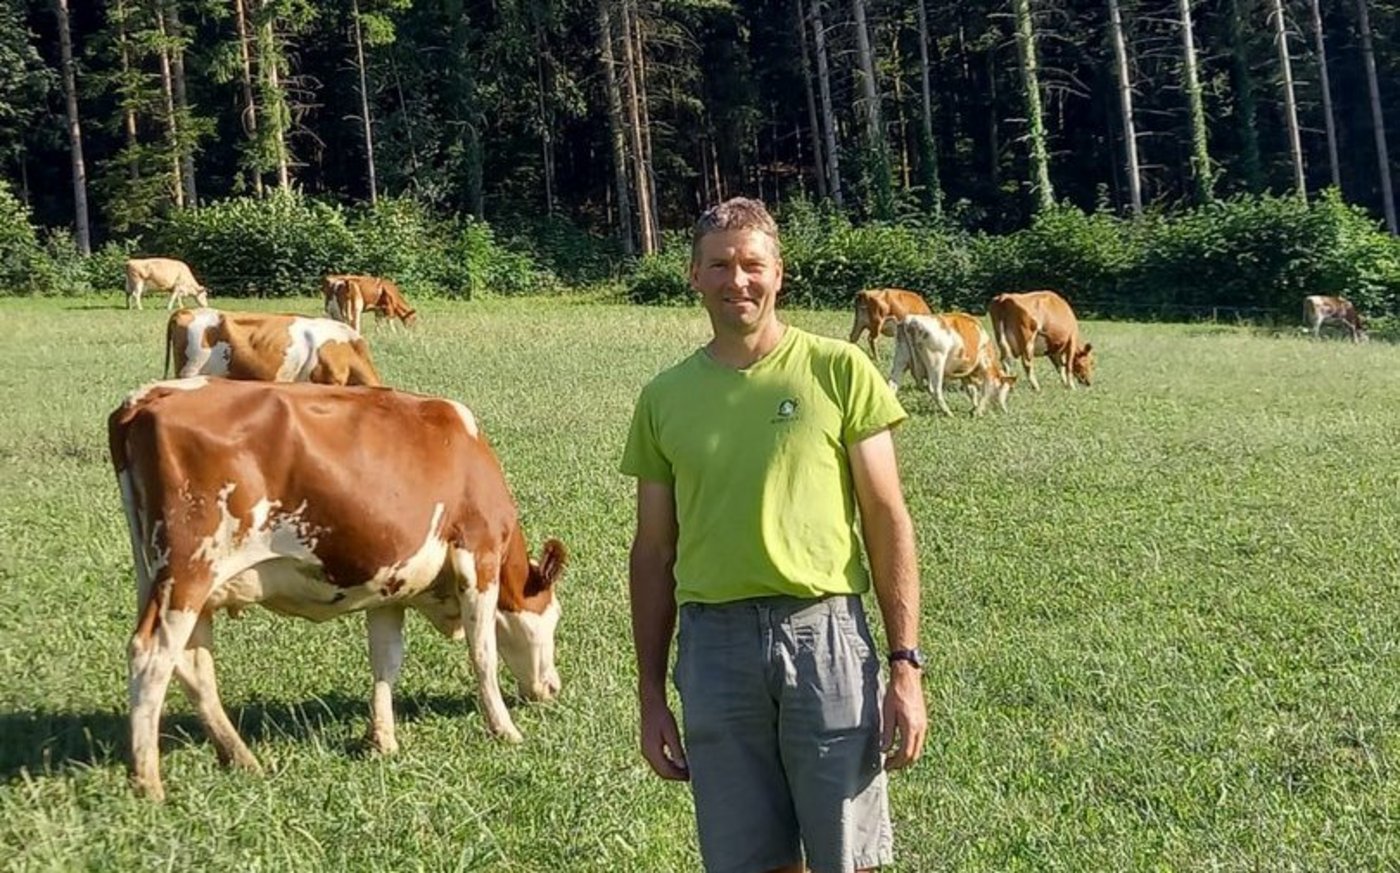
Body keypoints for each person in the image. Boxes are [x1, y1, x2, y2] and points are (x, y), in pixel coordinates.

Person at [621, 196, 927, 873]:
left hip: (825, 635)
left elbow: (887, 518)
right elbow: (653, 552)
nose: (738, 280)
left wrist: (905, 664)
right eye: (719, 265)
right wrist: (650, 694)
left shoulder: (838, 370)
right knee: (748, 860)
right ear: (693, 275)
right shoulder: (664, 397)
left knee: (847, 854)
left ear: (779, 273)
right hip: (715, 649)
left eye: (752, 264)